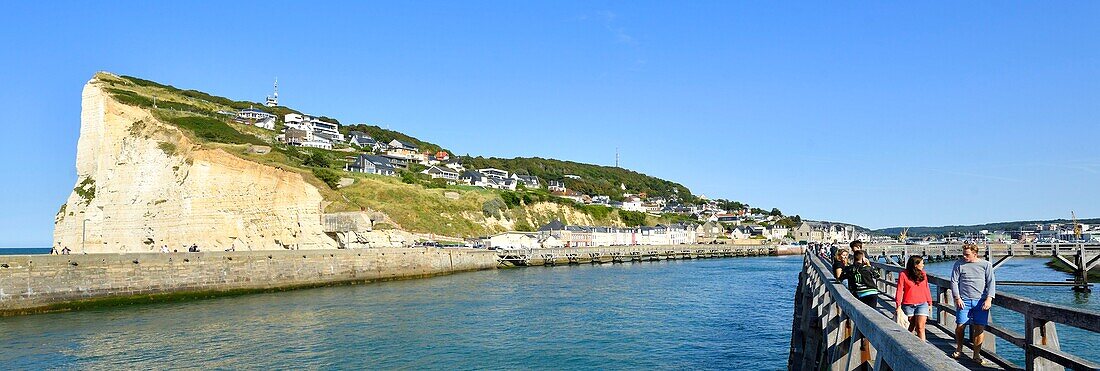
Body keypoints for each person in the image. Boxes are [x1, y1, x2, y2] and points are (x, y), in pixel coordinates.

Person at [950, 243, 996, 365]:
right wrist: (957, 298)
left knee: (979, 328)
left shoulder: (986, 265)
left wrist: (989, 299)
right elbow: (954, 282)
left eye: (967, 254)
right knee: (960, 326)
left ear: (975, 254)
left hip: (981, 301)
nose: (964, 256)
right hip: (963, 300)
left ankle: (976, 354)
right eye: (963, 254)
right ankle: (959, 349)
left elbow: (991, 282)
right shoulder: (959, 264)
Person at [895, 255, 933, 341]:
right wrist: (898, 305)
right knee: (910, 328)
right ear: (916, 265)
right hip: (908, 304)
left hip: (922, 303)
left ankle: (923, 348)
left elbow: (926, 288)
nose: (923, 265)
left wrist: (930, 303)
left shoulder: (923, 274)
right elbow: (899, 290)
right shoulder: (903, 274)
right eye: (922, 263)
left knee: (920, 327)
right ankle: (909, 346)